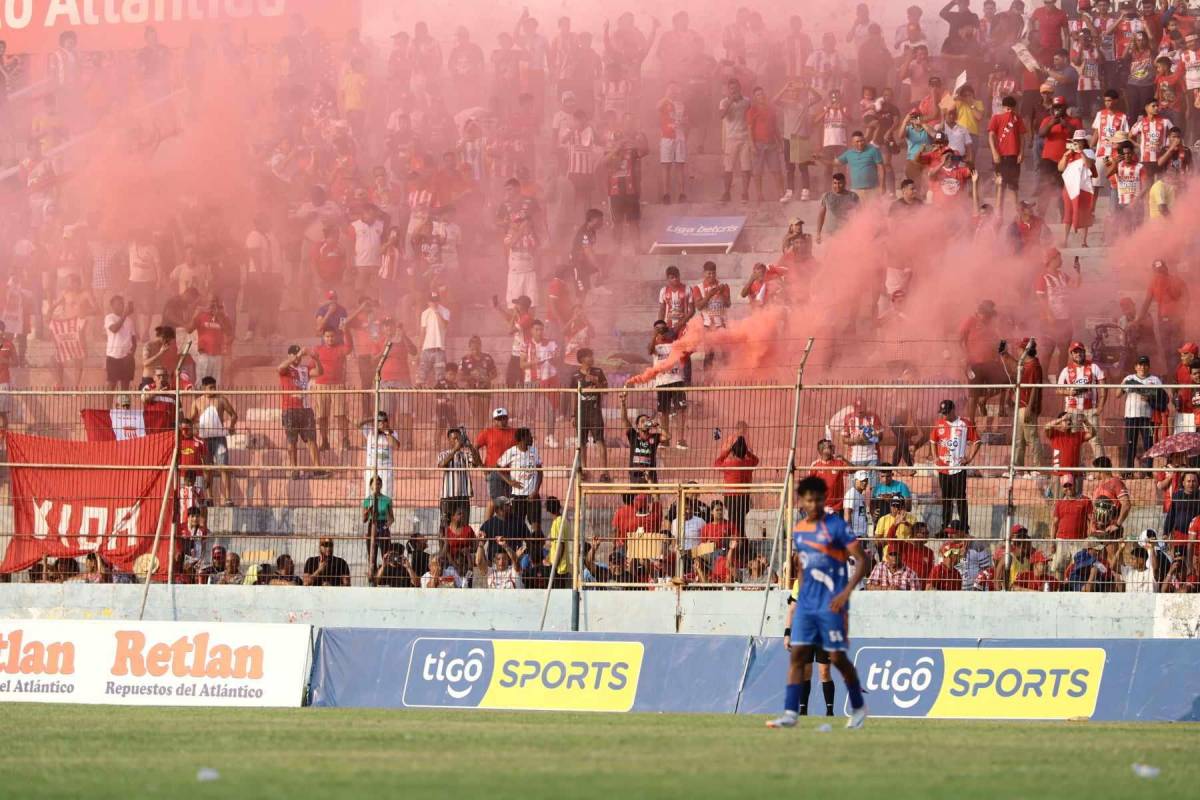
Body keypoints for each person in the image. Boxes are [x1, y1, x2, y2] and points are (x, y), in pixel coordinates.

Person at [766, 476, 868, 729]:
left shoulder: (837, 527)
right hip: (807, 605)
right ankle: (791, 713)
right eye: (810, 500)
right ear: (802, 501)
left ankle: (858, 706)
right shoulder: (800, 530)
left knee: (837, 658)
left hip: (832, 604)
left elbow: (863, 560)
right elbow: (802, 564)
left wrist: (845, 593)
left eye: (819, 499)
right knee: (798, 657)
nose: (815, 504)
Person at [921, 399, 981, 530]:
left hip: (958, 468)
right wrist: (935, 457)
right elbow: (932, 441)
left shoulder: (965, 424)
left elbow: (977, 441)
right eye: (943, 413)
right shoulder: (939, 424)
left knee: (960, 498)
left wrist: (969, 458)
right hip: (943, 468)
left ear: (953, 410)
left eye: (947, 412)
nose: (945, 415)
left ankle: (964, 527)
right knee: (946, 498)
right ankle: (945, 526)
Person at [189, 376, 238, 506]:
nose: (213, 390)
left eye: (214, 387)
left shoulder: (221, 400)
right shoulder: (197, 402)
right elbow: (191, 420)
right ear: (204, 388)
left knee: (224, 467)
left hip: (219, 439)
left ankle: (228, 499)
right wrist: (194, 428)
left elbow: (233, 415)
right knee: (207, 468)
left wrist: (231, 426)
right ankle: (209, 498)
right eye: (210, 388)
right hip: (204, 439)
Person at [277, 344, 324, 478]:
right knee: (292, 441)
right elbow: (279, 368)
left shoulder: (305, 368)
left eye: (298, 355)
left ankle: (317, 468)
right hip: (290, 409)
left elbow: (319, 372)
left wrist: (316, 359)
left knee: (311, 439)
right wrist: (297, 356)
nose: (297, 358)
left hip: (305, 408)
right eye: (294, 355)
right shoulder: (286, 369)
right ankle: (294, 469)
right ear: (289, 355)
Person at [571, 348, 610, 481]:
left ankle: (604, 472)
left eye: (592, 356)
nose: (592, 359)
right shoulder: (575, 376)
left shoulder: (598, 372)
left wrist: (596, 382)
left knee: (600, 440)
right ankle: (584, 470)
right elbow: (573, 396)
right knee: (581, 442)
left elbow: (605, 391)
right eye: (589, 356)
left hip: (595, 412)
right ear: (582, 359)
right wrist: (573, 415)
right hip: (581, 412)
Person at [1120, 355, 1163, 471]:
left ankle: (1148, 471)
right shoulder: (1129, 378)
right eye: (1140, 365)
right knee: (1130, 444)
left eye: (1145, 365)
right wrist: (1123, 384)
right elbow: (1118, 394)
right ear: (1135, 367)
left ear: (1148, 367)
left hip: (1147, 418)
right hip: (1131, 416)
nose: (1142, 367)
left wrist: (1149, 397)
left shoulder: (1155, 380)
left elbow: (1162, 397)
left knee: (1148, 444)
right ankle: (1129, 471)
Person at [619, 391, 667, 483]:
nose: (645, 422)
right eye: (642, 421)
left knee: (654, 495)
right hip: (635, 472)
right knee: (635, 494)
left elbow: (667, 437)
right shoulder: (633, 435)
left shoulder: (655, 436)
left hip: (651, 472)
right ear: (637, 426)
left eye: (647, 420)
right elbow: (624, 419)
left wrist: (657, 426)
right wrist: (623, 402)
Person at [437, 426, 481, 525]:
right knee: (445, 526)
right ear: (449, 440)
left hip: (463, 496)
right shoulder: (443, 454)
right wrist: (455, 449)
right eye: (454, 439)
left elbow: (476, 462)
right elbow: (441, 465)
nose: (457, 441)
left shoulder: (465, 455)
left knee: (463, 526)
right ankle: (444, 541)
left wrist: (469, 445)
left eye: (458, 438)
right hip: (447, 496)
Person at [362, 475, 394, 582]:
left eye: (379, 483)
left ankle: (387, 578)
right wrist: (367, 512)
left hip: (383, 526)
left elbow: (391, 518)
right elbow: (364, 520)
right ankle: (372, 580)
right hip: (372, 526)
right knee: (372, 557)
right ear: (370, 486)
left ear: (381, 485)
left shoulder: (387, 500)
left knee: (386, 555)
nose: (377, 486)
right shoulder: (367, 500)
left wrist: (385, 527)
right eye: (374, 483)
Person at [815, 172, 860, 244]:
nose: (837, 186)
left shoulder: (853, 196)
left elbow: (859, 215)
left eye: (840, 183)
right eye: (835, 183)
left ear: (845, 183)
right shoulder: (827, 196)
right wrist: (818, 233)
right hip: (830, 235)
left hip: (847, 234)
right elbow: (821, 216)